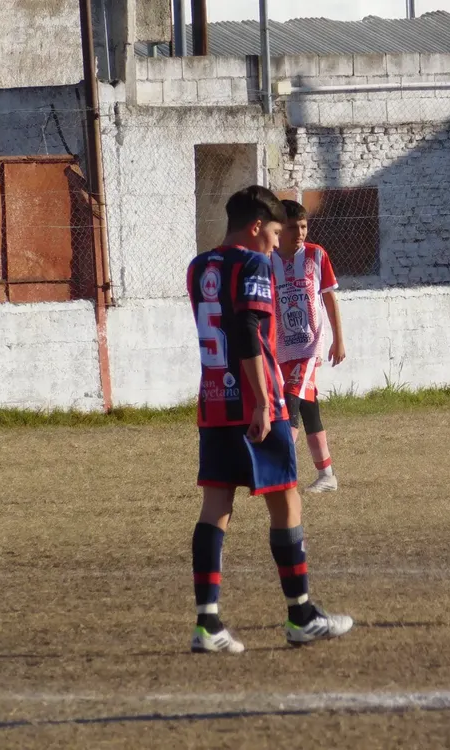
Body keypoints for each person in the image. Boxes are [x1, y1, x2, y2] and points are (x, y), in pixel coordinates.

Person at [186, 185, 354, 654]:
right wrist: (263, 400)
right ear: (258, 226)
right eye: (275, 232)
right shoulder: (255, 264)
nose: (277, 244)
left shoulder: (199, 267)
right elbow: (245, 330)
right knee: (287, 503)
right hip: (255, 402)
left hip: (214, 400)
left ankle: (207, 624)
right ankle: (301, 615)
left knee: (216, 508)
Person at [271, 200, 346, 493]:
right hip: (281, 349)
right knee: (309, 409)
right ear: (279, 228)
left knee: (289, 403)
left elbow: (328, 298)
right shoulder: (268, 260)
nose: (300, 232)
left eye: (303, 226)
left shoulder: (316, 255)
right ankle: (327, 475)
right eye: (293, 227)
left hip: (309, 347)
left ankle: (279, 474)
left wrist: (339, 339)